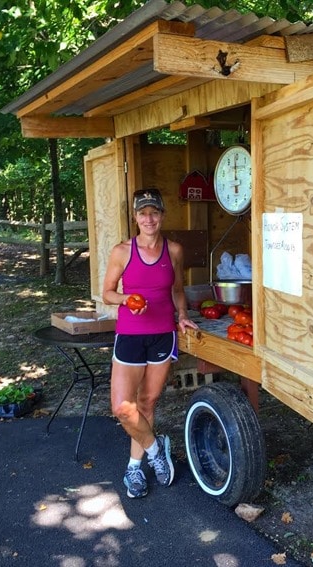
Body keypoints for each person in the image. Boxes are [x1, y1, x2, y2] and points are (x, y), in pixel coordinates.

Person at [102, 188, 198, 498]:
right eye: (142, 213)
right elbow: (107, 293)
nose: (148, 218)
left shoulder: (174, 251)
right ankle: (157, 452)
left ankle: (134, 468)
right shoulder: (122, 251)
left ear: (162, 215)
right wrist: (127, 298)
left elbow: (178, 289)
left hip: (162, 335)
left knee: (147, 404)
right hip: (130, 335)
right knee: (122, 407)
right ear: (135, 217)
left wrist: (182, 314)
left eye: (154, 212)